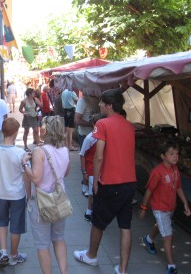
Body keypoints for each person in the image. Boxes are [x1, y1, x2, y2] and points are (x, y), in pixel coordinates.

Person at [74, 89, 136, 274]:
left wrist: (95, 181)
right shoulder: (129, 126)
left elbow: (99, 156)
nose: (99, 105)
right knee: (125, 226)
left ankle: (91, 255)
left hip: (109, 182)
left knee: (98, 221)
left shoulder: (102, 124)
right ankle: (123, 269)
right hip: (129, 182)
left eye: (102, 102)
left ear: (110, 105)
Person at [22, 116, 70, 274]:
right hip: (59, 200)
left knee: (43, 245)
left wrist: (25, 164)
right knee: (58, 238)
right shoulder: (64, 149)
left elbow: (36, 179)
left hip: (42, 203)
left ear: (46, 130)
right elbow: (66, 173)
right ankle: (64, 272)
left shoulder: (39, 151)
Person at [138, 140, 190, 274]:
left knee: (161, 226)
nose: (175, 156)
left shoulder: (175, 169)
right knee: (168, 236)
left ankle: (148, 239)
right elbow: (149, 191)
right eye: (171, 154)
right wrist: (143, 207)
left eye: (177, 154)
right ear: (163, 156)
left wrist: (185, 202)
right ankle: (171, 266)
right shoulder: (157, 172)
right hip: (160, 208)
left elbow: (178, 187)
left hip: (171, 207)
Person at [0, 118, 30, 268]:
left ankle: (3, 251)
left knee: (2, 221)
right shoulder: (20, 153)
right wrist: (29, 194)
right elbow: (26, 177)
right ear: (15, 133)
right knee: (16, 225)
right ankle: (14, 255)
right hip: (17, 195)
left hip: (0, 193)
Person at [79, 113, 104, 218]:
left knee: (99, 192)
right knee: (92, 193)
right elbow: (82, 155)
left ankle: (97, 211)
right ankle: (89, 212)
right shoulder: (89, 138)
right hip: (92, 169)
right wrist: (84, 172)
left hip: (102, 168)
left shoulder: (104, 136)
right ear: (93, 125)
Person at [75, 95, 100, 196]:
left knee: (93, 160)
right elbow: (77, 120)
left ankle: (90, 182)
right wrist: (92, 125)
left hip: (96, 136)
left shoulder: (99, 97)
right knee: (86, 159)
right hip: (86, 135)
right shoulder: (83, 101)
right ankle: (85, 185)